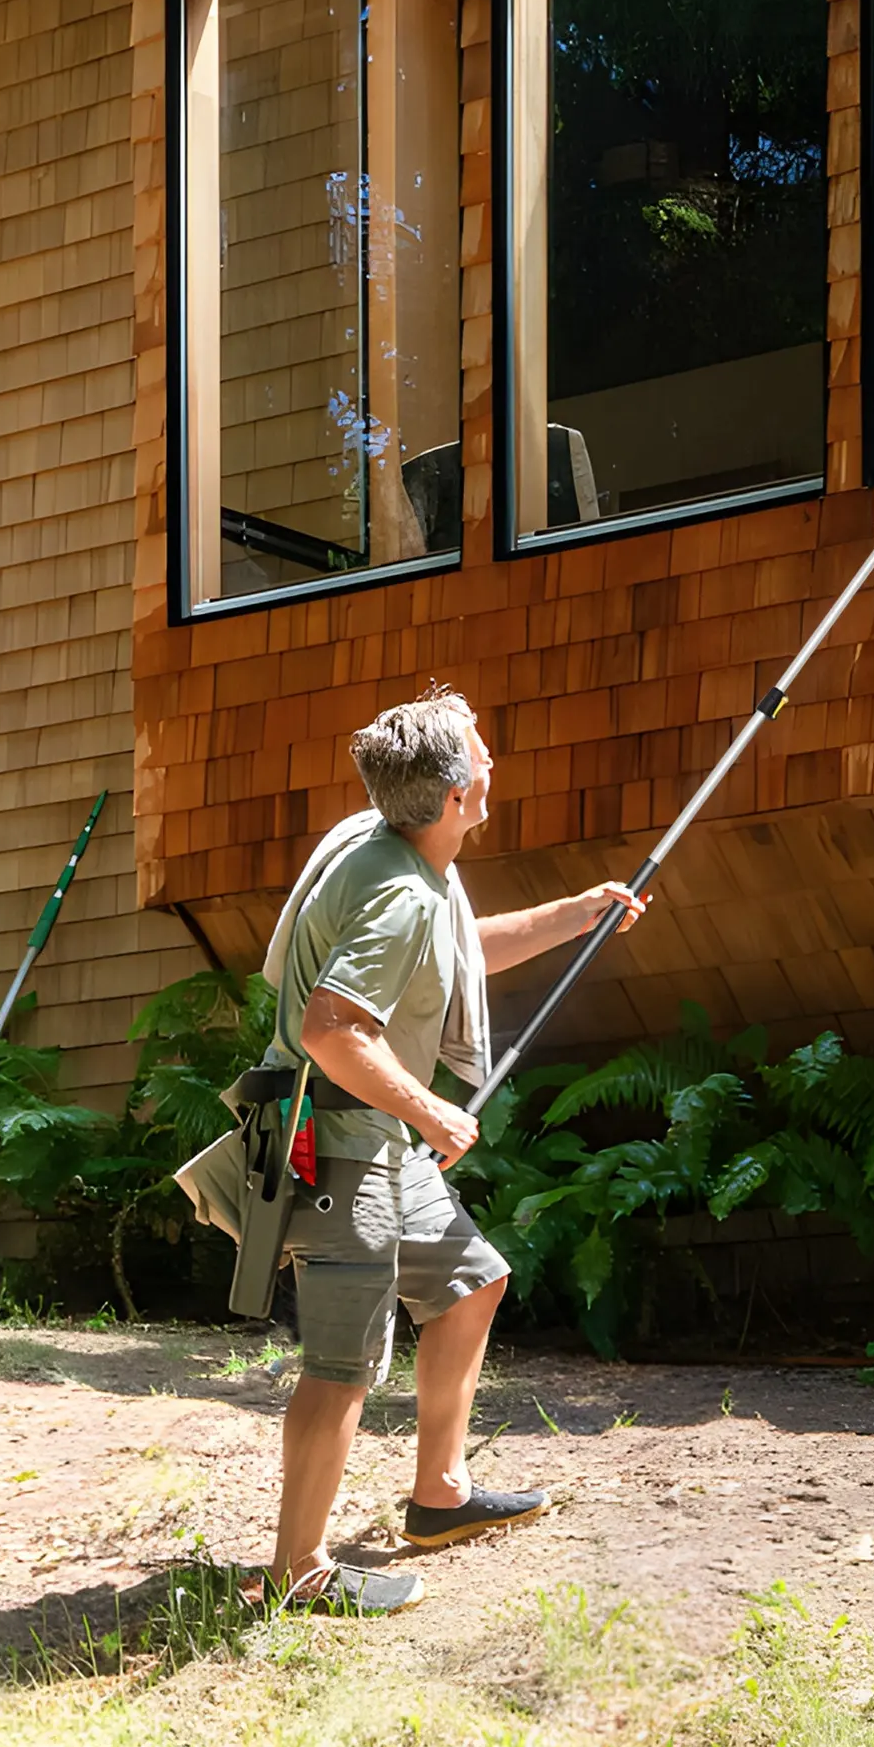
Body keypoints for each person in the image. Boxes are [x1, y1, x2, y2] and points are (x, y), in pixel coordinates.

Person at [254, 686, 647, 1614]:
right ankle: (295, 1571)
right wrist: (432, 1111)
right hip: (339, 1147)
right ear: (456, 794)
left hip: (371, 1137)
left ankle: (439, 1497)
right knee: (342, 1364)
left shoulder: (393, 845)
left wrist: (574, 914)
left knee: (470, 1283)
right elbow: (331, 1027)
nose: (492, 761)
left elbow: (449, 948)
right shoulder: (396, 890)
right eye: (481, 752)